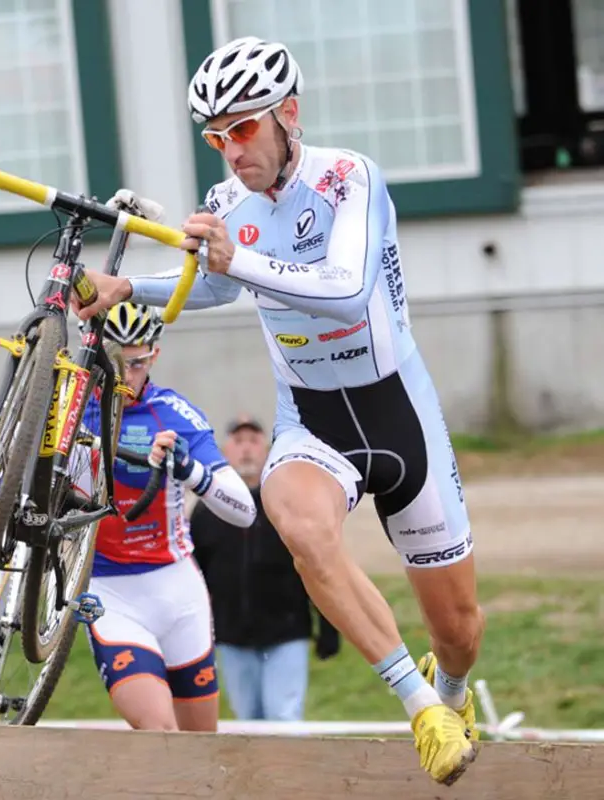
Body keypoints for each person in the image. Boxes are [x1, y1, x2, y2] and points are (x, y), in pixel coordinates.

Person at [73, 36, 483, 785]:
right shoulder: (229, 205)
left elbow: (346, 286)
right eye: (214, 135)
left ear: (286, 115)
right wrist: (127, 289)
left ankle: (450, 689)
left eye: (242, 129)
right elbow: (215, 288)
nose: (229, 150)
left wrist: (239, 261)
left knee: (458, 630)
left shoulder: (347, 178)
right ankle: (419, 703)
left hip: (399, 414)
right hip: (312, 419)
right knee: (293, 519)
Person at [75, 300, 256, 732]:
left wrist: (190, 471)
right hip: (109, 591)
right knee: (159, 733)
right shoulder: (75, 408)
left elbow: (245, 510)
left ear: (154, 355)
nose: (125, 375)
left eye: (136, 363)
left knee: (200, 752)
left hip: (176, 591)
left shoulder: (174, 414)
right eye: (116, 362)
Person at [189, 414, 339, 722]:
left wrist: (328, 626)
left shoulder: (288, 507)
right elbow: (194, 577)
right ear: (225, 451)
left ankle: (287, 772)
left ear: (267, 450)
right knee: (248, 722)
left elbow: (315, 566)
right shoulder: (206, 512)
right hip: (231, 637)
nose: (246, 449)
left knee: (283, 717)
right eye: (238, 441)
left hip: (286, 634)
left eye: (254, 441)